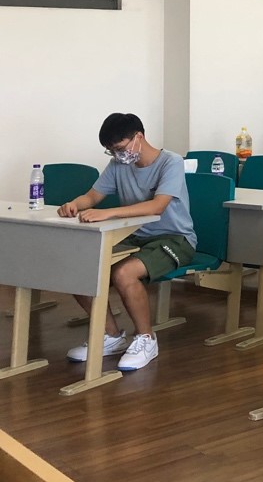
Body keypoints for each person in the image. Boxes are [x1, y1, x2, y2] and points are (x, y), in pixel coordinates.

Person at [56, 113, 196, 372]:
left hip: (175, 238)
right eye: (111, 151)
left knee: (124, 273)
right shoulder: (118, 165)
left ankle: (146, 339)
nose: (118, 155)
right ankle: (111, 336)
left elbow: (157, 206)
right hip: (135, 235)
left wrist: (108, 213)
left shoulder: (171, 162)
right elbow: (92, 196)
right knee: (80, 267)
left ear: (138, 137)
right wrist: (75, 204)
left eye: (120, 148)